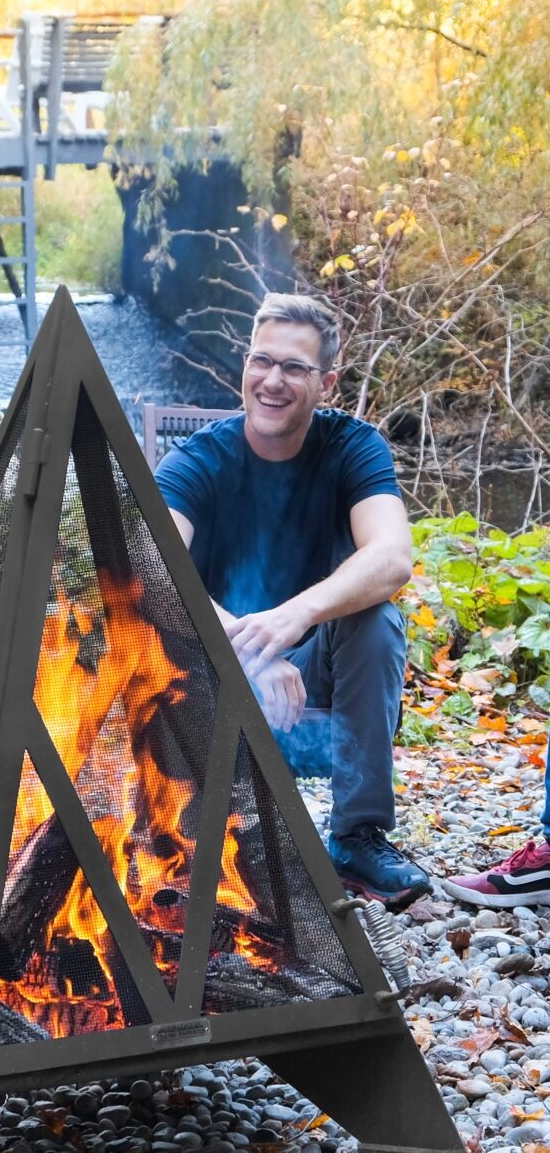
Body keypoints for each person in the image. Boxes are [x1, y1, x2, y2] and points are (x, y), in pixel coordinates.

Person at [155, 292, 429, 909]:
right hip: (210, 687)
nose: (272, 381)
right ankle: (189, 837)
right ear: (244, 366)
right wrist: (251, 649)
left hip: (311, 680)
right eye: (262, 361)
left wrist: (292, 618)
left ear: (326, 382)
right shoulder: (201, 459)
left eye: (295, 368)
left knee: (376, 619)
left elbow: (392, 558)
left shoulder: (352, 448)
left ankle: (357, 838)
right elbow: (152, 564)